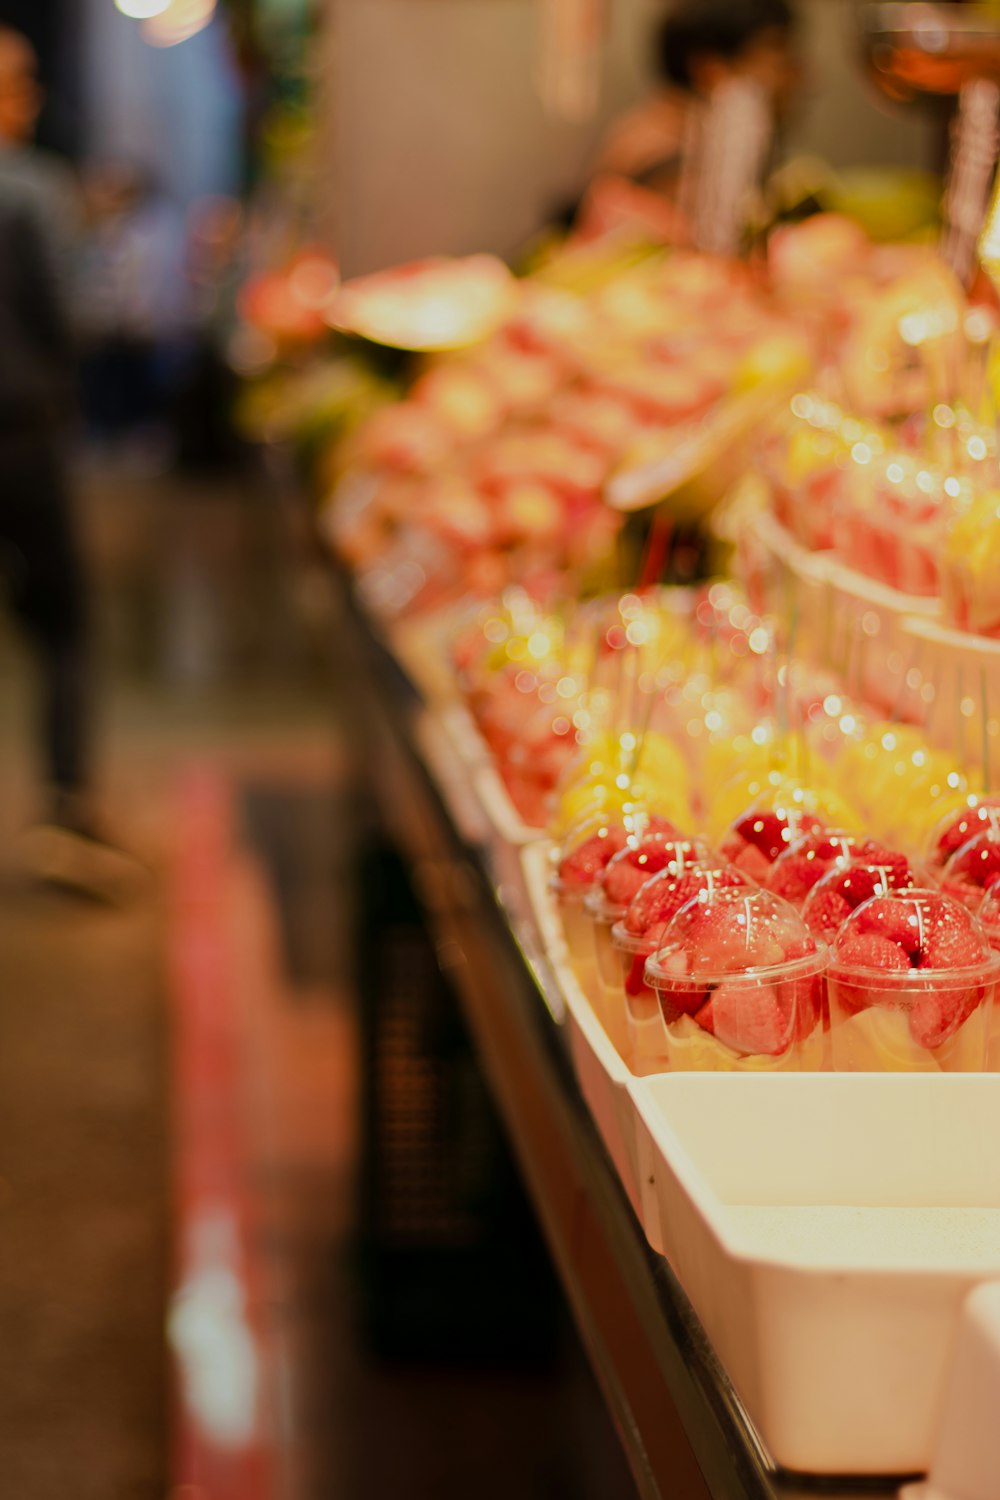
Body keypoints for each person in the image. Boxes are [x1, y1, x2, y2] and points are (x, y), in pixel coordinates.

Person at [0, 27, 139, 897]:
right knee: (63, 626)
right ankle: (66, 809)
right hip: (19, 437)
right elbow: (75, 313)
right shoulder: (32, 189)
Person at [577, 0, 800, 244]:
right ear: (712, 69)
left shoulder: (680, 135)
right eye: (780, 56)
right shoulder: (667, 157)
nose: (799, 75)